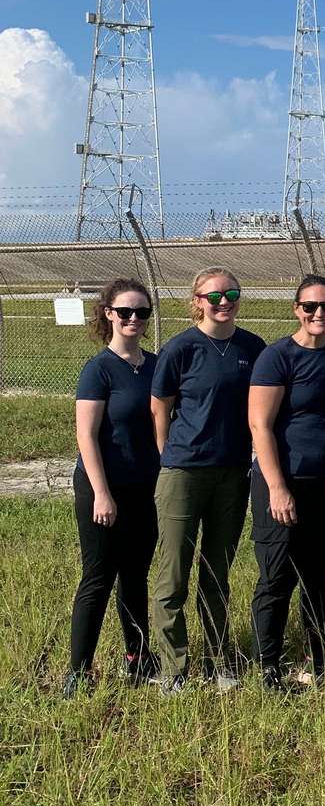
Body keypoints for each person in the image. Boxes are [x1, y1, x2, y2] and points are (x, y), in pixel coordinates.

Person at [150, 267, 265, 694]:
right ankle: (174, 667)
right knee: (173, 575)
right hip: (184, 472)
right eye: (214, 296)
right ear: (197, 300)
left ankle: (219, 661)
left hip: (232, 473)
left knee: (217, 574)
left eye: (231, 294)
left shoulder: (252, 348)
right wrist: (169, 455)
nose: (224, 302)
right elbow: (160, 406)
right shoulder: (180, 348)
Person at [248, 275, 325, 691]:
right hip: (285, 481)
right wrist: (277, 487)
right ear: (296, 309)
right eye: (310, 306)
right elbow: (260, 425)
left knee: (320, 577)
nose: (320, 314)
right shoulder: (277, 356)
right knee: (277, 578)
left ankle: (317, 660)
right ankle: (268, 666)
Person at [64, 278, 161, 698]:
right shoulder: (98, 369)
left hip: (145, 488)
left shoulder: (155, 365)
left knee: (135, 577)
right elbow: (86, 436)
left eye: (142, 312)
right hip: (102, 486)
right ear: (109, 314)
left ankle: (138, 658)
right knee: (98, 577)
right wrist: (102, 493)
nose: (134, 319)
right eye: (125, 312)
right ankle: (78, 671)